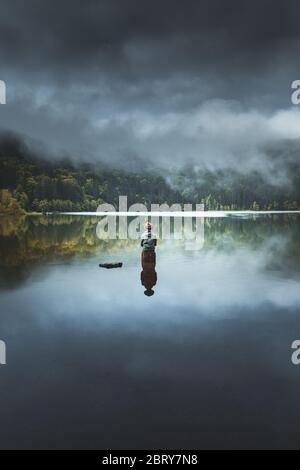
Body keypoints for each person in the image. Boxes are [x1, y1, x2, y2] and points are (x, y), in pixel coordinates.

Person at [140, 222, 157, 296]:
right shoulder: (154, 235)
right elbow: (155, 244)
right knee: (152, 267)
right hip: (152, 252)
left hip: (145, 252)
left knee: (144, 267)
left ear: (145, 228)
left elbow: (141, 244)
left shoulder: (143, 235)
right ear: (151, 228)